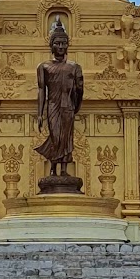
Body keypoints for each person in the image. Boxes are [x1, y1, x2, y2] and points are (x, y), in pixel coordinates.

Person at [35, 18, 83, 176]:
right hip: (53, 105)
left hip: (67, 105)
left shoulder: (74, 67)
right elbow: (42, 90)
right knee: (55, 136)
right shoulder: (44, 67)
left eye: (64, 43)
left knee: (66, 137)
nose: (61, 47)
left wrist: (75, 106)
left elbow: (79, 89)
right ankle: (52, 169)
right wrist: (40, 114)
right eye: (57, 43)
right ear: (51, 45)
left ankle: (63, 170)